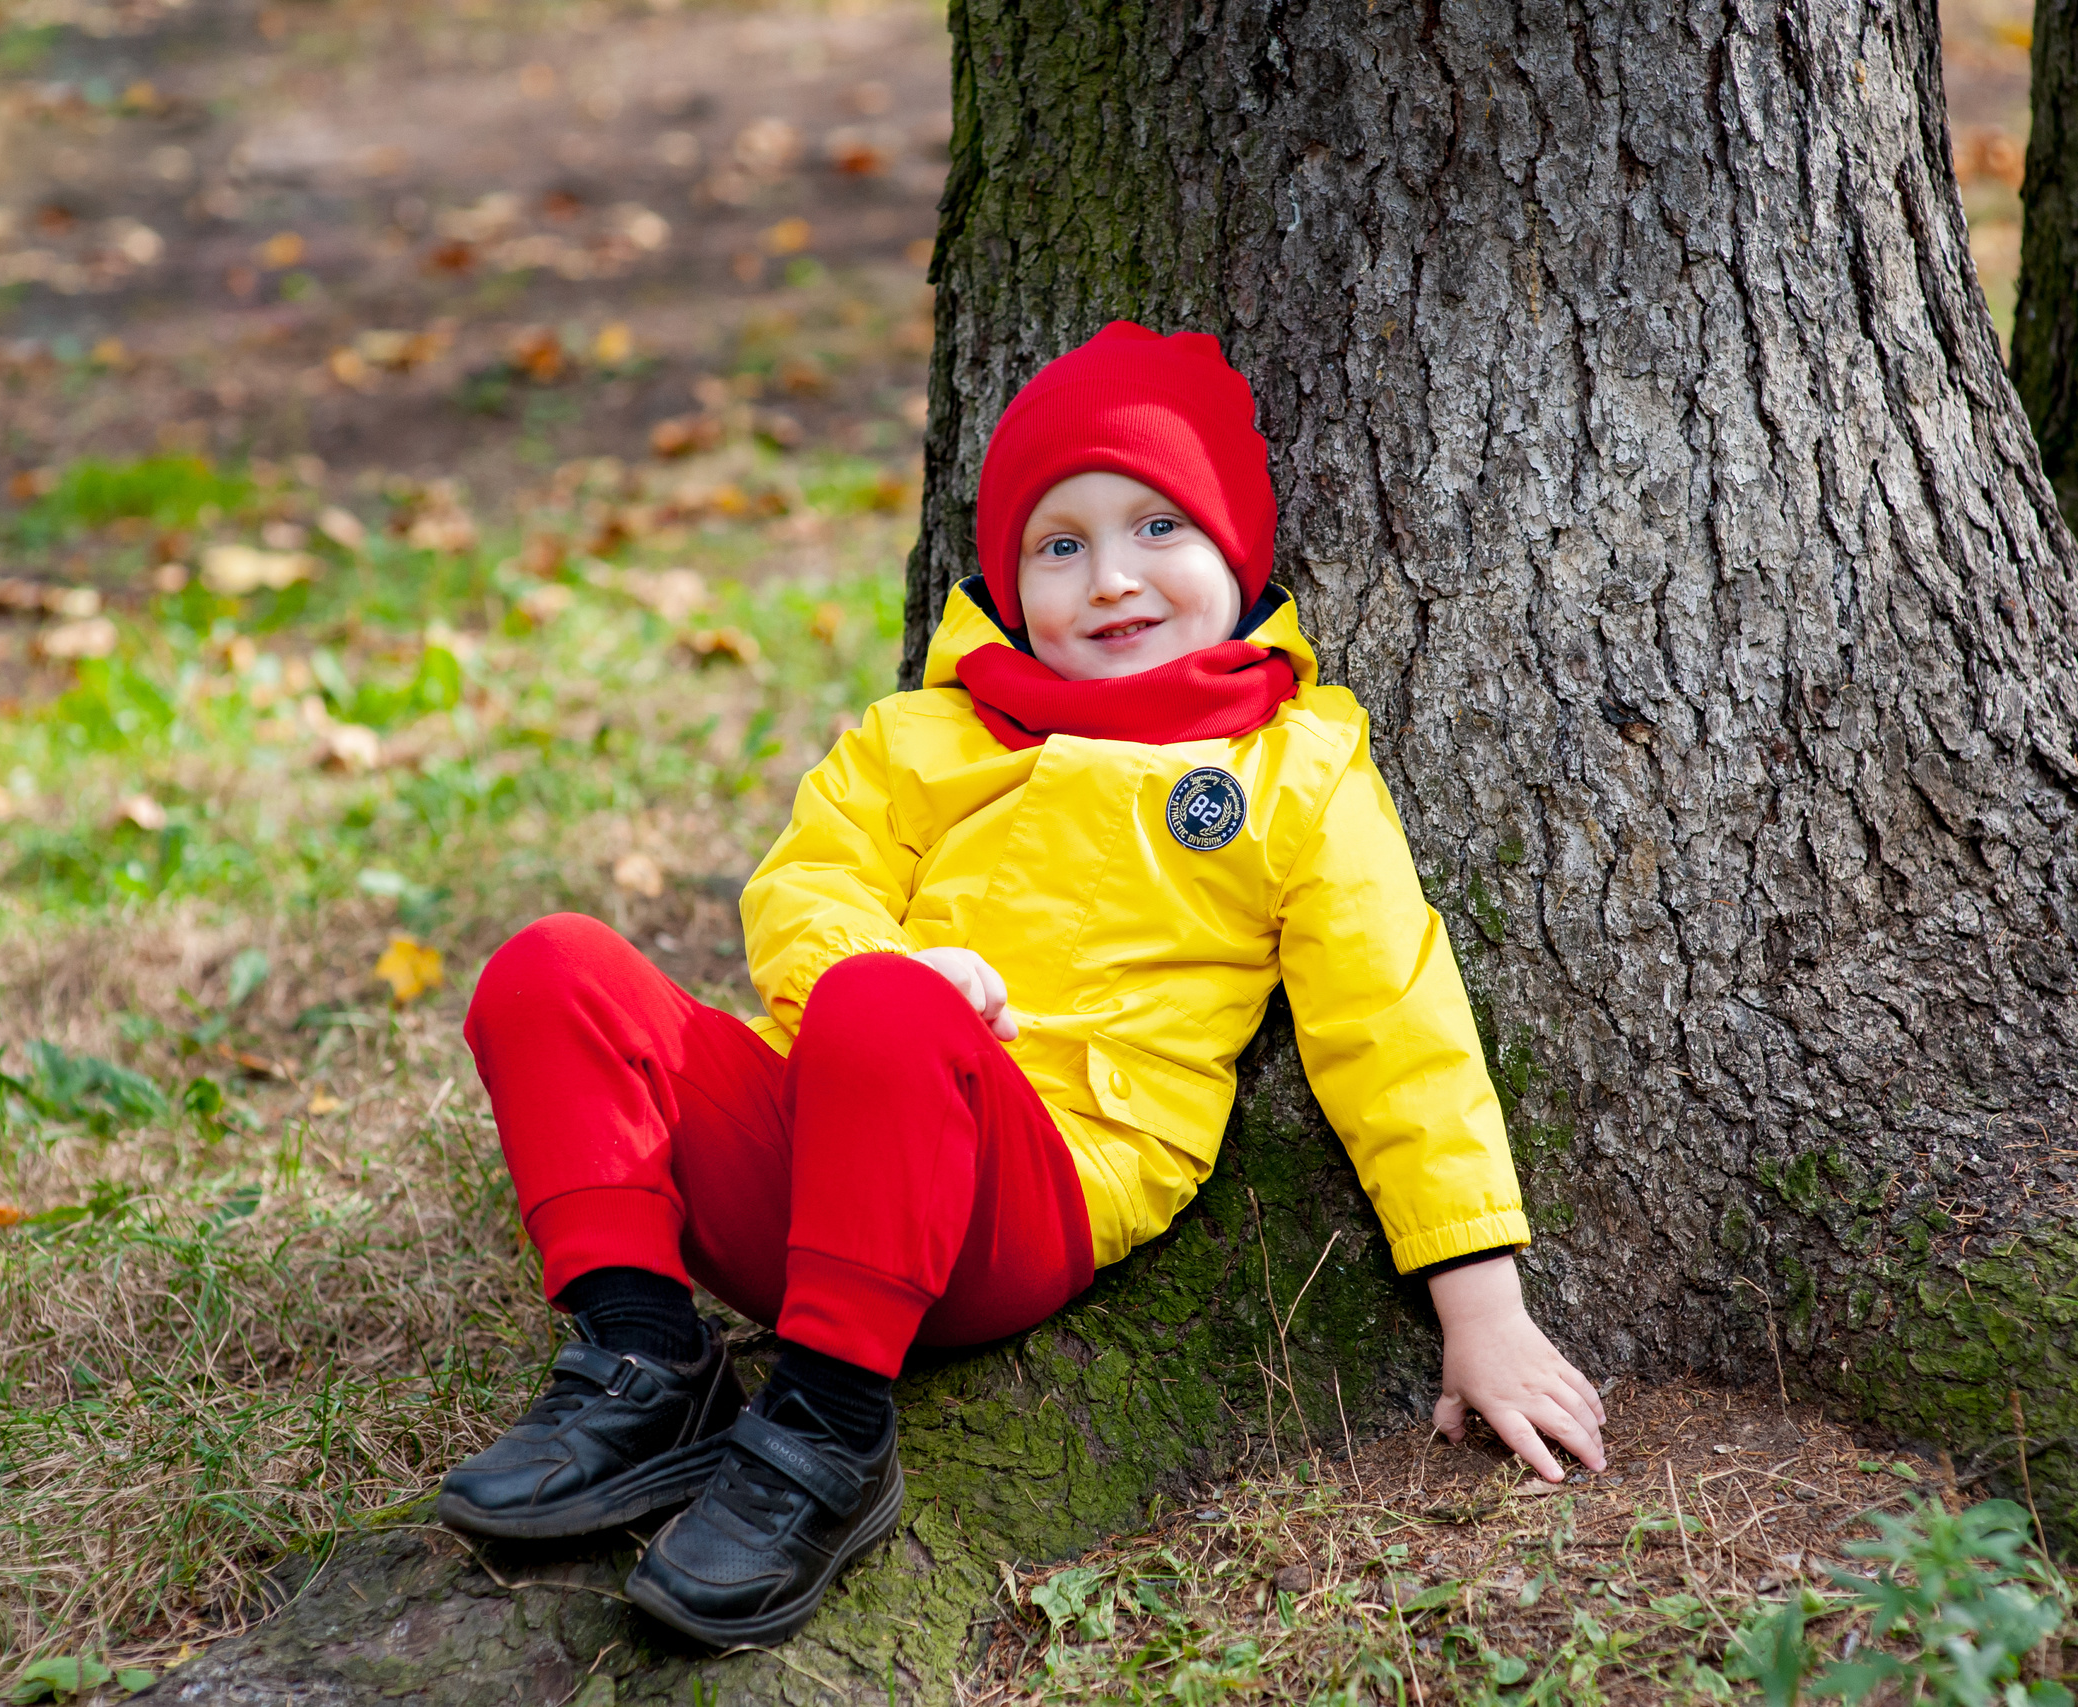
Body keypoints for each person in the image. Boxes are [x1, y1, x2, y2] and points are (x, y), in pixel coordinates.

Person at [444, 321, 1608, 1648]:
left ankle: (826, 1431)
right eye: (1061, 546)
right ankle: (642, 1361)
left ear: (1236, 547)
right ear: (1008, 578)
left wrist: (1483, 1303)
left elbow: (1395, 1026)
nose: (1110, 579)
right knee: (555, 971)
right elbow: (803, 888)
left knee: (891, 1014)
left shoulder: (1298, 775)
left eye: (1157, 526)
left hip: (1024, 1197)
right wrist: (883, 975)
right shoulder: (926, 734)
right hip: (823, 1152)